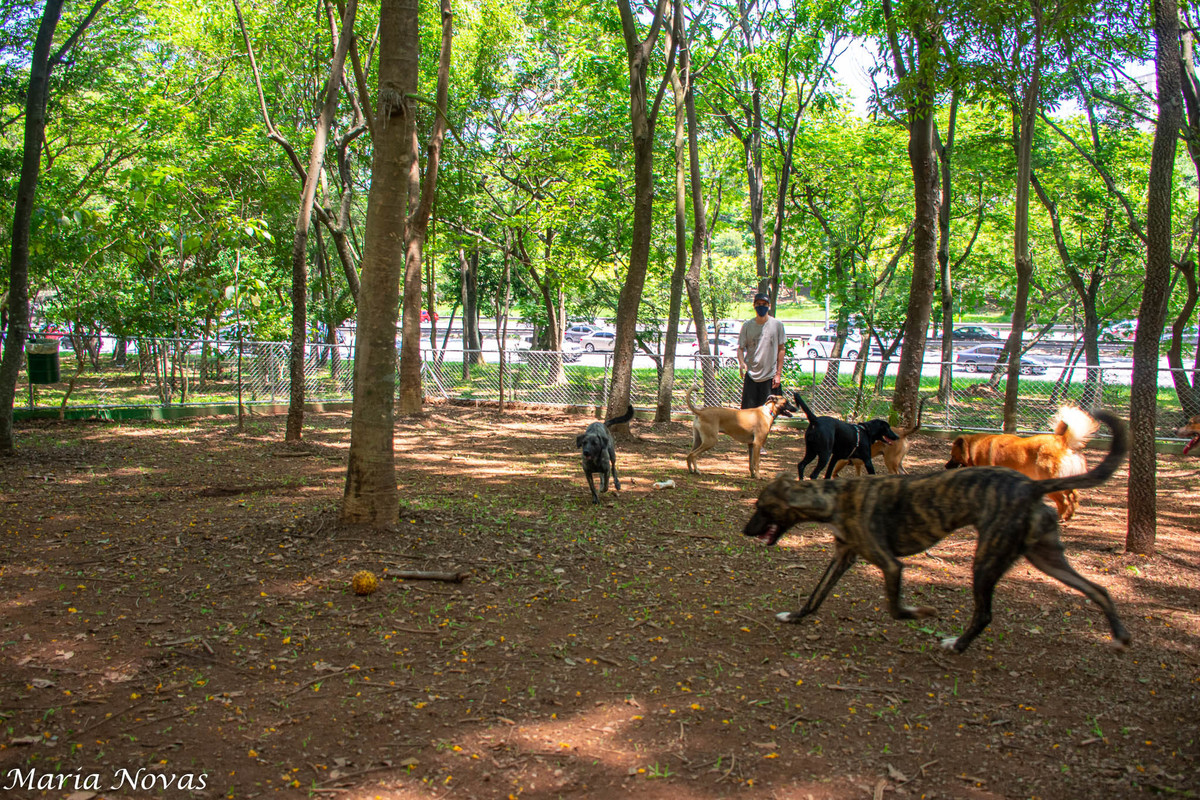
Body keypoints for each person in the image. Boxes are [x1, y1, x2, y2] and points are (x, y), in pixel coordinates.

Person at [737, 292, 787, 409]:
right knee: (747, 413)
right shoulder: (747, 326)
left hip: (769, 376)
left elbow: (781, 349)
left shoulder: (777, 325)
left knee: (768, 412)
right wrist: (742, 363)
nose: (761, 306)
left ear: (769, 306)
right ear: (754, 306)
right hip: (752, 374)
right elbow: (740, 348)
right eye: (758, 304)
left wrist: (778, 374)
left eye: (764, 304)